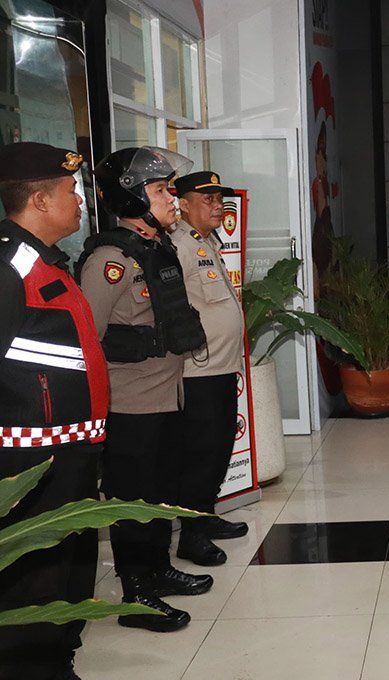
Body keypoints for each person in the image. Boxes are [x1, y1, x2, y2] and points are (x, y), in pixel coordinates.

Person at [0, 142, 128, 680]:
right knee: (33, 584)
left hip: (71, 450)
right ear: (41, 198)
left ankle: (56, 678)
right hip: (27, 464)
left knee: (73, 571)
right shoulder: (6, 267)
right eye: (71, 191)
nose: (79, 200)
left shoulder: (47, 259)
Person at [78, 147, 213, 632]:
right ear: (132, 197)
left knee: (159, 495)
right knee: (133, 502)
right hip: (131, 404)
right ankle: (137, 594)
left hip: (167, 396)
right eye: (159, 191)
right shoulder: (109, 260)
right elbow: (87, 337)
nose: (171, 199)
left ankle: (157, 569)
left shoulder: (157, 248)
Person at [168, 171, 250, 568]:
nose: (219, 206)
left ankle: (206, 515)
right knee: (201, 453)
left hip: (220, 366)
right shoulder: (178, 245)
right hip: (197, 370)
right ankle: (191, 537)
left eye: (221, 199)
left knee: (218, 448)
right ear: (182, 204)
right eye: (208, 199)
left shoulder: (206, 242)